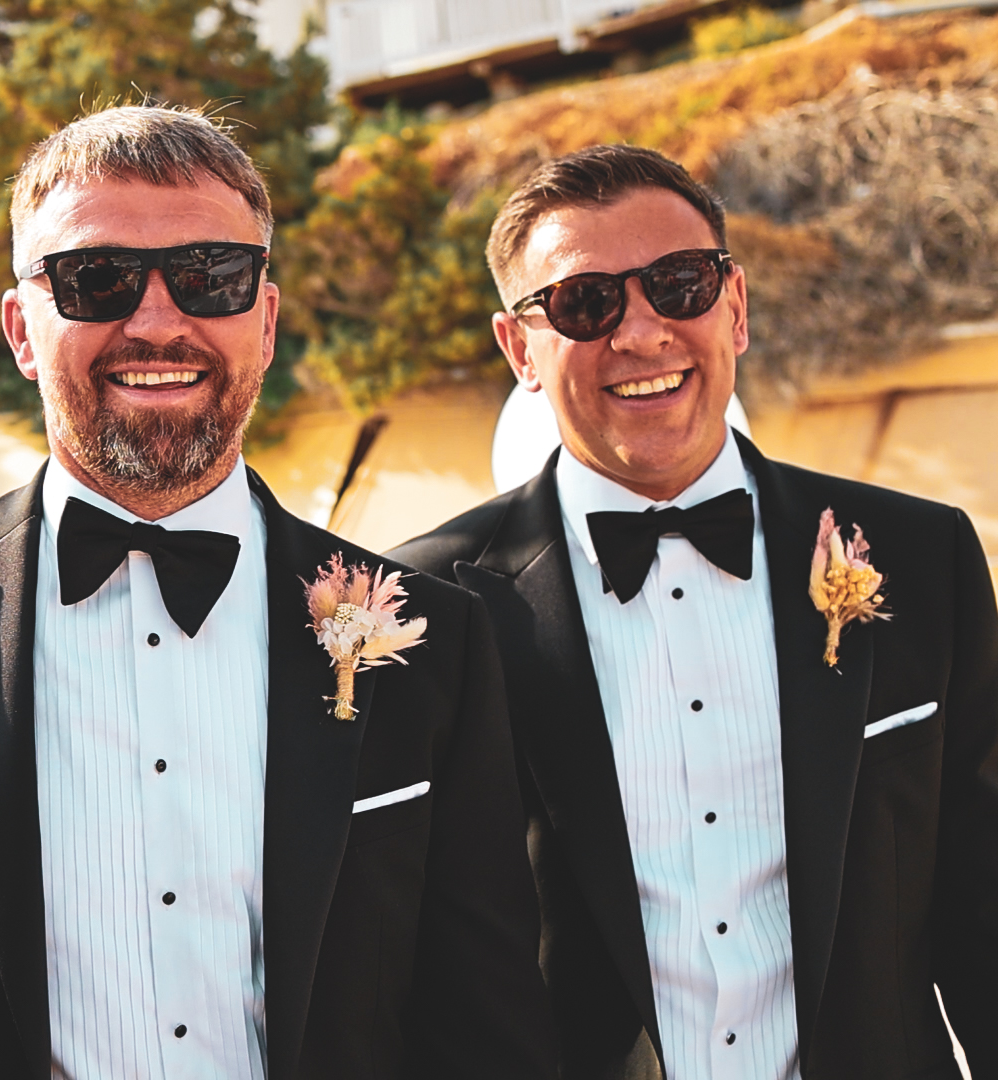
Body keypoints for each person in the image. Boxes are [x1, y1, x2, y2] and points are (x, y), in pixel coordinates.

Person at [0, 105, 555, 1080]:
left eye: (211, 276)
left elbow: (487, 1023)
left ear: (266, 320)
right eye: (97, 279)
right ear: (21, 330)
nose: (158, 321)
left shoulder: (428, 635)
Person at [392, 144, 998, 1079]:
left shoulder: (921, 556)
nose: (642, 333)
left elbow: (983, 898)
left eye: (680, 284)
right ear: (519, 349)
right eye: (585, 303)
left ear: (735, 307)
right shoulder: (431, 608)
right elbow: (408, 963)